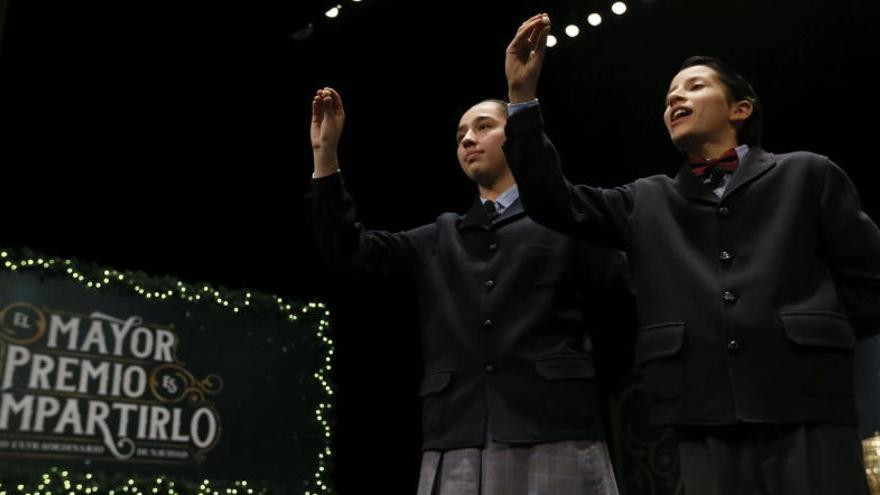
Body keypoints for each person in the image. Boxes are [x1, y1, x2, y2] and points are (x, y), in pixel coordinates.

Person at [501, 13, 880, 494]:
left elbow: (870, 282)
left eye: (693, 87)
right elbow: (552, 200)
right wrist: (522, 98)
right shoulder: (647, 199)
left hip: (807, 404)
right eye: (668, 98)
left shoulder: (809, 175)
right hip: (701, 413)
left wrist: (812, 337)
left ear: (740, 109)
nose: (675, 98)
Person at [308, 87, 632, 494]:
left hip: (555, 428)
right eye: (461, 133)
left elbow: (621, 313)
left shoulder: (567, 221)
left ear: (516, 136)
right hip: (459, 436)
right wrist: (326, 158)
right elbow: (350, 254)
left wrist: (576, 381)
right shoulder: (443, 236)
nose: (467, 139)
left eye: (484, 126)